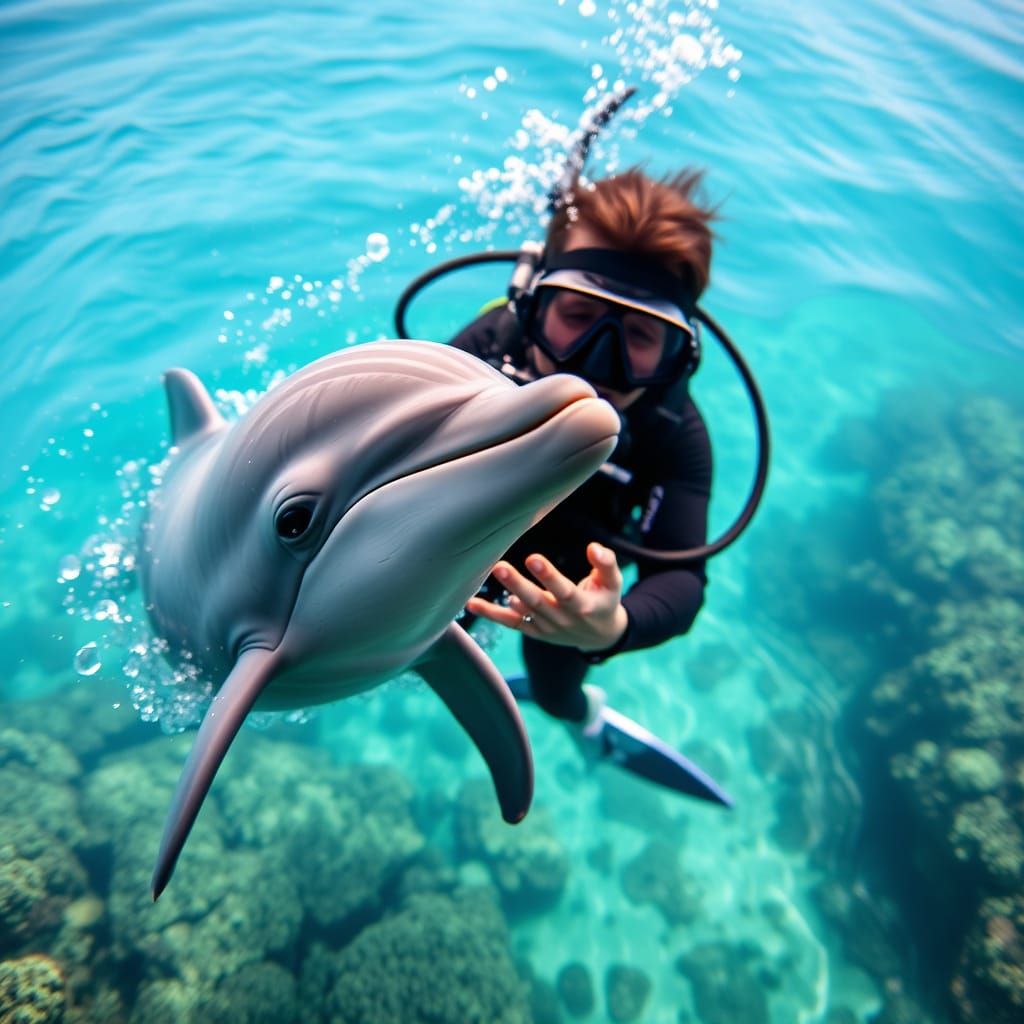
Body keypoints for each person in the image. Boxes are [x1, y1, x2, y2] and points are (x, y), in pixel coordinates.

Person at [448, 167, 719, 784]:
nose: (600, 358)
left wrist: (612, 624)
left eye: (641, 335)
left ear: (679, 353)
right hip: (458, 552)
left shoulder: (673, 431)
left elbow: (679, 577)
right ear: (532, 304)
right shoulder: (486, 349)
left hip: (568, 599)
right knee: (415, 644)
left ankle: (585, 721)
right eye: (576, 315)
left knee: (556, 691)